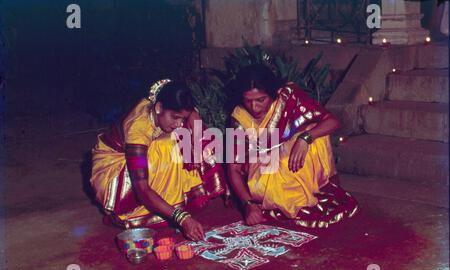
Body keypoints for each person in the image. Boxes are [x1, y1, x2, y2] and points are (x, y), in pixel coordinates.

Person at [90, 79, 229, 240]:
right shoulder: (138, 129)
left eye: (182, 118)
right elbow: (141, 188)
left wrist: (194, 127)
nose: (179, 123)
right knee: (166, 147)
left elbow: (188, 112)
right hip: (114, 173)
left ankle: (174, 201)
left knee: (189, 132)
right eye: (175, 117)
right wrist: (182, 218)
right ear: (158, 108)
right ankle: (162, 210)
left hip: (143, 157)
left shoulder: (165, 102)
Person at [227, 64, 359, 228]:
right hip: (264, 168)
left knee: (315, 132)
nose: (254, 107)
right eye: (248, 101)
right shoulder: (239, 118)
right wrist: (249, 204)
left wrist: (305, 138)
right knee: (283, 195)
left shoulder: (288, 98)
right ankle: (289, 195)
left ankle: (313, 188)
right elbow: (233, 169)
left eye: (261, 100)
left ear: (274, 93)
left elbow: (332, 122)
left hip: (291, 154)